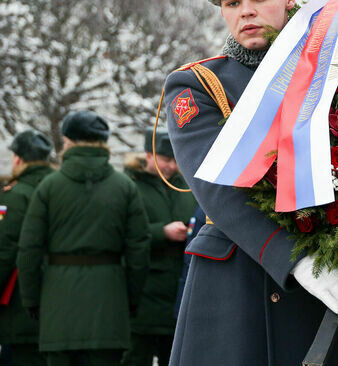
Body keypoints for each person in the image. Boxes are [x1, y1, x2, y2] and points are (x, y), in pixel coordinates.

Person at [165, 0, 338, 365]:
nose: (246, 11)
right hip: (234, 284)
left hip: (329, 269)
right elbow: (217, 188)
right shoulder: (198, 84)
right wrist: (295, 260)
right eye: (232, 2)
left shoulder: (333, 68)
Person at [17, 111, 150, 366]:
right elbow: (138, 249)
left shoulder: (49, 187)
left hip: (58, 307)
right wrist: (130, 299)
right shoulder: (124, 187)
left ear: (68, 142)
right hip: (109, 306)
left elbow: (29, 249)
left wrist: (31, 299)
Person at [121, 128, 196, 366]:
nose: (171, 166)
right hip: (144, 288)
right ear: (148, 155)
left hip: (177, 288)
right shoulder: (130, 186)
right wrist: (160, 232)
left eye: (175, 160)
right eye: (165, 159)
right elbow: (121, 231)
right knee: (136, 355)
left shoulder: (185, 186)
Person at [0, 130, 55, 366]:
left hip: (20, 304)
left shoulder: (16, 195)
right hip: (59, 300)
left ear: (19, 159)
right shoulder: (58, 190)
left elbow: (5, 251)